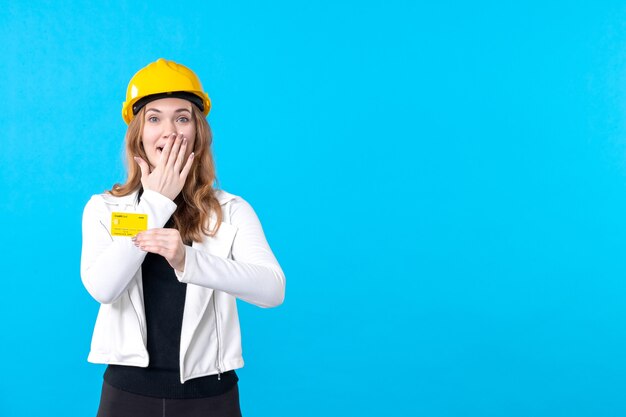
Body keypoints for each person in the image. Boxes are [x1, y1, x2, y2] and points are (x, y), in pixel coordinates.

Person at [81, 58, 286, 417]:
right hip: (127, 395)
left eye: (182, 117)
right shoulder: (106, 209)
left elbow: (272, 290)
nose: (169, 131)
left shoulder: (230, 210)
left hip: (211, 397)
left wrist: (188, 261)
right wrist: (156, 204)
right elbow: (103, 287)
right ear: (138, 134)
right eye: (154, 118)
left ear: (197, 131)